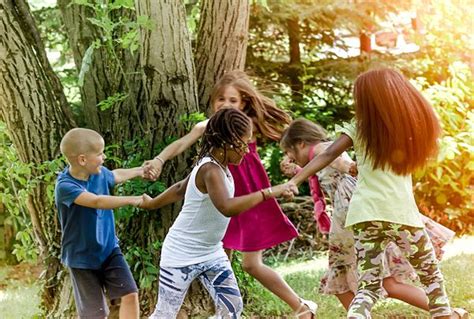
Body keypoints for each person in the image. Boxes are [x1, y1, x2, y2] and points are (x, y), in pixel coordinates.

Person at [288, 68, 466, 319]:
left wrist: (295, 179)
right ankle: (445, 316)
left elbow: (328, 154)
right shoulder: (407, 129)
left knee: (369, 285)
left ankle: (357, 316)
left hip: (363, 217)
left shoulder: (358, 129)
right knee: (430, 275)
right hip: (401, 215)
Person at [144, 71, 316, 317]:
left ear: (244, 103)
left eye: (232, 100)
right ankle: (229, 309)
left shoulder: (245, 126)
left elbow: (289, 135)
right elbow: (183, 145)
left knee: (250, 263)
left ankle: (300, 306)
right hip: (220, 201)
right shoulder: (212, 135)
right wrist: (160, 160)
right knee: (218, 255)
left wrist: (291, 159)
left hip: (248, 197)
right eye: (220, 100)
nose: (225, 105)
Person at [55, 128, 148, 319]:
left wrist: (140, 171)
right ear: (82, 160)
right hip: (81, 258)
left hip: (108, 250)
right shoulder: (65, 186)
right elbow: (97, 201)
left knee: (130, 294)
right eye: (99, 154)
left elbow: (115, 175)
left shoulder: (98, 173)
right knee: (95, 314)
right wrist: (134, 199)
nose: (104, 157)